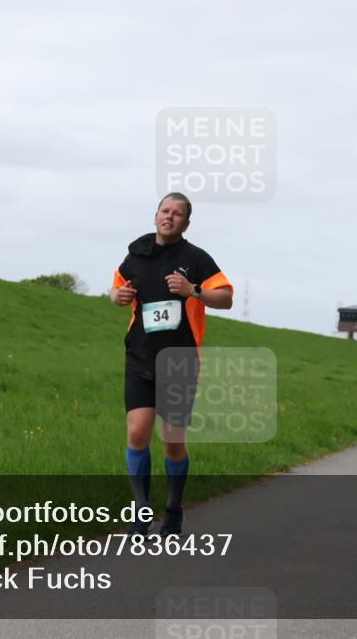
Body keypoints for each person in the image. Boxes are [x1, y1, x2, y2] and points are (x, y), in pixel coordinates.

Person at [110, 192, 233, 536]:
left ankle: (174, 509)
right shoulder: (135, 255)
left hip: (180, 360)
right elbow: (117, 289)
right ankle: (141, 511)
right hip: (140, 356)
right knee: (137, 432)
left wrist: (193, 289)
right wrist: (117, 296)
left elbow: (226, 298)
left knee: (172, 440)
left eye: (177, 214)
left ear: (186, 223)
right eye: (165, 211)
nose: (169, 217)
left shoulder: (196, 259)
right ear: (155, 216)